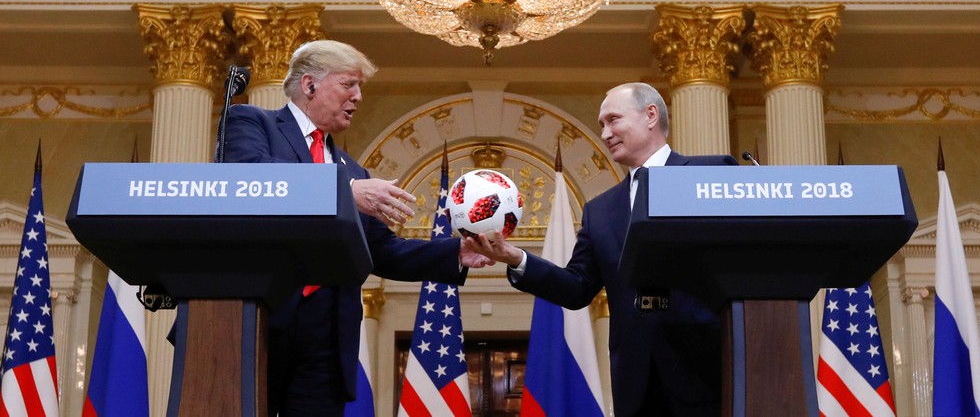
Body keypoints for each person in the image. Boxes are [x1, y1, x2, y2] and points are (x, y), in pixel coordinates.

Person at [222, 40, 493, 417]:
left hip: (326, 339)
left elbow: (382, 252)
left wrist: (456, 252)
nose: (358, 96)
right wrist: (346, 192)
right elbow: (253, 178)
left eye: (359, 87)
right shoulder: (253, 124)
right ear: (310, 85)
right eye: (349, 84)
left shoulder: (352, 168)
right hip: (256, 321)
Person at [463, 82, 738, 416]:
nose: (605, 133)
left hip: (708, 374)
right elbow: (577, 287)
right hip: (636, 384)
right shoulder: (601, 210)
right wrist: (514, 258)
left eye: (613, 120)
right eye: (601, 125)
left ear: (651, 115)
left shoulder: (710, 174)